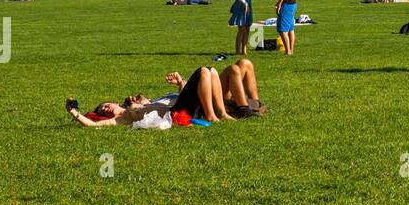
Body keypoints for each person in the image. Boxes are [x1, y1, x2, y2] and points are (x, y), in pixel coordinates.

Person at [66, 60, 265, 125]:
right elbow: (94, 124)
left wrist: (180, 83)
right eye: (103, 110)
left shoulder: (149, 101)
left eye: (104, 104)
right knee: (208, 71)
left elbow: (184, 93)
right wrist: (75, 112)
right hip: (185, 108)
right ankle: (219, 114)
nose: (106, 107)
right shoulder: (125, 117)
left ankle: (247, 106)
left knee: (224, 68)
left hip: (188, 101)